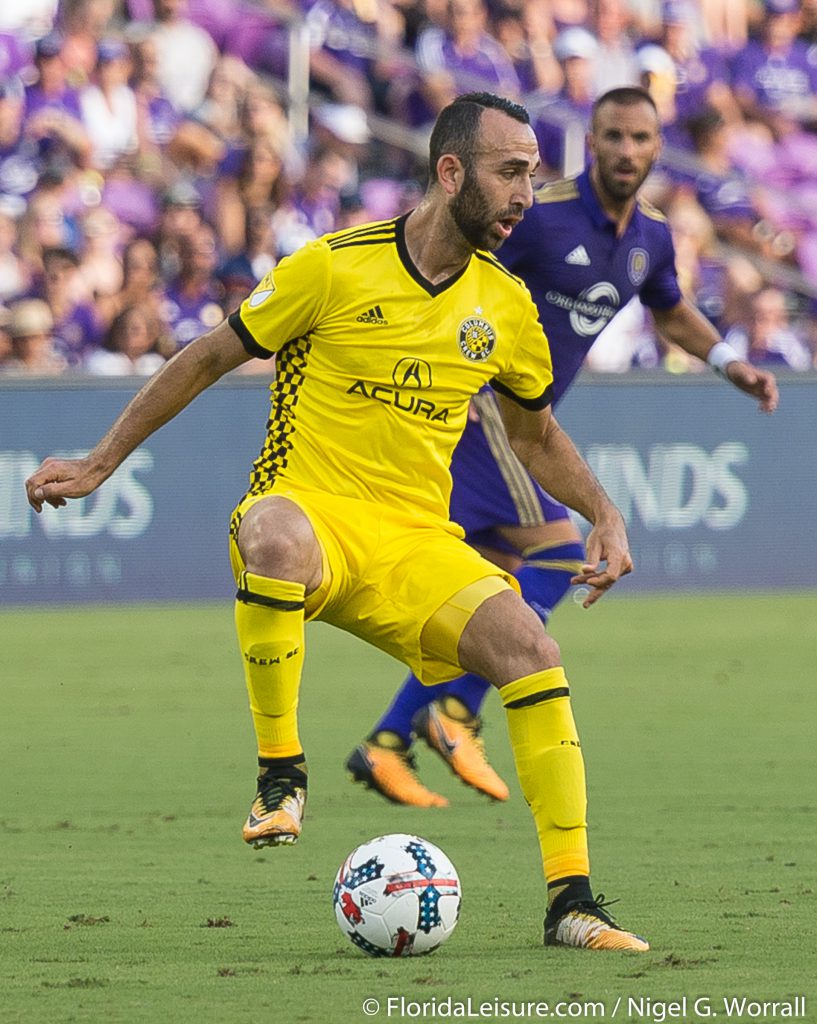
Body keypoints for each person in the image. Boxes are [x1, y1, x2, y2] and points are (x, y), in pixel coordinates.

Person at [26, 92, 648, 953]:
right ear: (450, 170)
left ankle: (570, 901)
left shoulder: (505, 306)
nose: (524, 195)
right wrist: (101, 461)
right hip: (309, 513)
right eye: (510, 173)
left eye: (534, 178)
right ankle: (281, 774)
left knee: (531, 650)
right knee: (272, 536)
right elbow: (209, 354)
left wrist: (603, 512)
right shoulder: (331, 265)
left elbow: (533, 435)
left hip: (415, 544)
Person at [347, 86, 779, 808]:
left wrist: (726, 361)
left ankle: (388, 741)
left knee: (488, 583)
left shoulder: (649, 238)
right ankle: (452, 713)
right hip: (477, 406)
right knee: (555, 552)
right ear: (592, 141)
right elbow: (442, 255)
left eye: (639, 138)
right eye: (611, 136)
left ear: (654, 145)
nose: (625, 151)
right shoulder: (535, 215)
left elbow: (669, 310)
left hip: (519, 421)